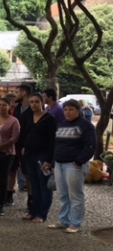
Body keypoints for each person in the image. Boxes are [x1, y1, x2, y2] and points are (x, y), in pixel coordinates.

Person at [49, 99, 96, 233]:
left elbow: (90, 145)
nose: (67, 112)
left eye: (71, 109)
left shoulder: (85, 125)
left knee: (75, 195)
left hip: (73, 165)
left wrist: (79, 161)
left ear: (78, 111)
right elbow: (56, 145)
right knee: (63, 194)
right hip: (59, 163)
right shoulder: (62, 125)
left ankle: (75, 223)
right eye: (65, 109)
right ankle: (63, 220)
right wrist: (53, 162)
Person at [22, 93, 57, 223]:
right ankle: (33, 211)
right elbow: (24, 133)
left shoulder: (49, 119)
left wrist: (49, 160)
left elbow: (52, 140)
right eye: (31, 102)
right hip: (29, 155)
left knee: (44, 185)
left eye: (37, 101)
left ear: (42, 103)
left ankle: (42, 214)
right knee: (34, 184)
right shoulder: (28, 117)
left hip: (43, 156)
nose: (34, 104)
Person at [0, 97, 19, 216]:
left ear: (8, 106)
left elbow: (14, 138)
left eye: (4, 105)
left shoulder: (14, 121)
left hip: (7, 154)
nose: (1, 107)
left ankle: (0, 205)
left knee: (3, 180)